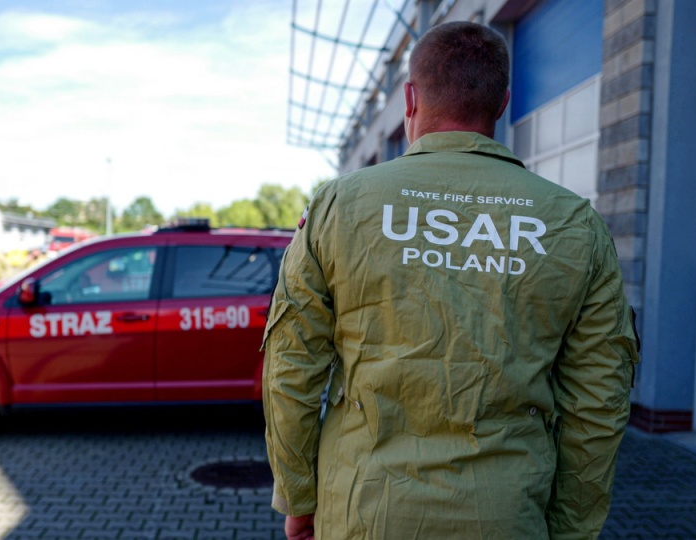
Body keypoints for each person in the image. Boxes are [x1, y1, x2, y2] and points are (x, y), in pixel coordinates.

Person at [262, 21, 640, 539]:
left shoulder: (340, 205)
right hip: (507, 513)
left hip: (364, 508)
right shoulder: (574, 223)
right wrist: (572, 526)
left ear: (410, 97)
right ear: (503, 103)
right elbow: (598, 398)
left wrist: (298, 495)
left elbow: (292, 363)